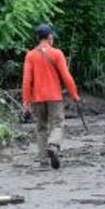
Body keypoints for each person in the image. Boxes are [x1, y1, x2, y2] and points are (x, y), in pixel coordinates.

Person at [22, 23, 80, 169]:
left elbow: (27, 81)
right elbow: (66, 77)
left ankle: (43, 160)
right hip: (54, 97)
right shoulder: (57, 53)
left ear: (37, 38)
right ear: (50, 37)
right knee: (58, 124)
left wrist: (26, 102)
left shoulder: (30, 55)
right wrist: (74, 95)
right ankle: (53, 146)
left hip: (37, 98)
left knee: (41, 128)